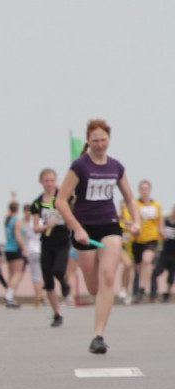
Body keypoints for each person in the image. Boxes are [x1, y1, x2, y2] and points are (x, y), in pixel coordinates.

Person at [55, 119, 140, 354]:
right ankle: (98, 303)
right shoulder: (80, 166)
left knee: (109, 277)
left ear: (109, 140)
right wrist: (77, 228)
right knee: (94, 287)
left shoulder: (116, 167)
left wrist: (136, 221)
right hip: (84, 229)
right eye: (95, 141)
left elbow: (130, 198)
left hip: (110, 226)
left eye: (104, 140)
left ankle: (98, 335)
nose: (100, 144)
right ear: (88, 141)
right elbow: (61, 201)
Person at [29, 168, 71, 327]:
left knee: (58, 270)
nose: (49, 184)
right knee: (48, 281)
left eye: (52, 180)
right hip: (46, 243)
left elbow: (73, 212)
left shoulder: (63, 198)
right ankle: (57, 314)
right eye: (46, 181)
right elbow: (35, 228)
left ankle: (65, 283)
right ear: (41, 182)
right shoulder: (37, 203)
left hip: (62, 241)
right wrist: (46, 225)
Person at [131, 180, 161, 301]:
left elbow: (160, 220)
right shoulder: (135, 205)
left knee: (147, 260)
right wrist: (133, 226)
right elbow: (128, 219)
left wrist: (162, 231)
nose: (144, 191)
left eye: (146, 188)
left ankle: (142, 289)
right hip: (137, 240)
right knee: (139, 267)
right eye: (142, 188)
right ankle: (140, 288)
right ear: (139, 190)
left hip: (152, 238)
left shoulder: (156, 205)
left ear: (149, 190)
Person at [3, 200, 25, 308]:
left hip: (7, 249)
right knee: (18, 273)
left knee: (11, 275)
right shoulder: (16, 221)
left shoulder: (7, 220)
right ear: (17, 209)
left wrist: (13, 197)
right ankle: (8, 295)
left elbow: (8, 211)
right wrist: (24, 248)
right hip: (15, 249)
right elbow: (17, 236)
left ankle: (11, 297)